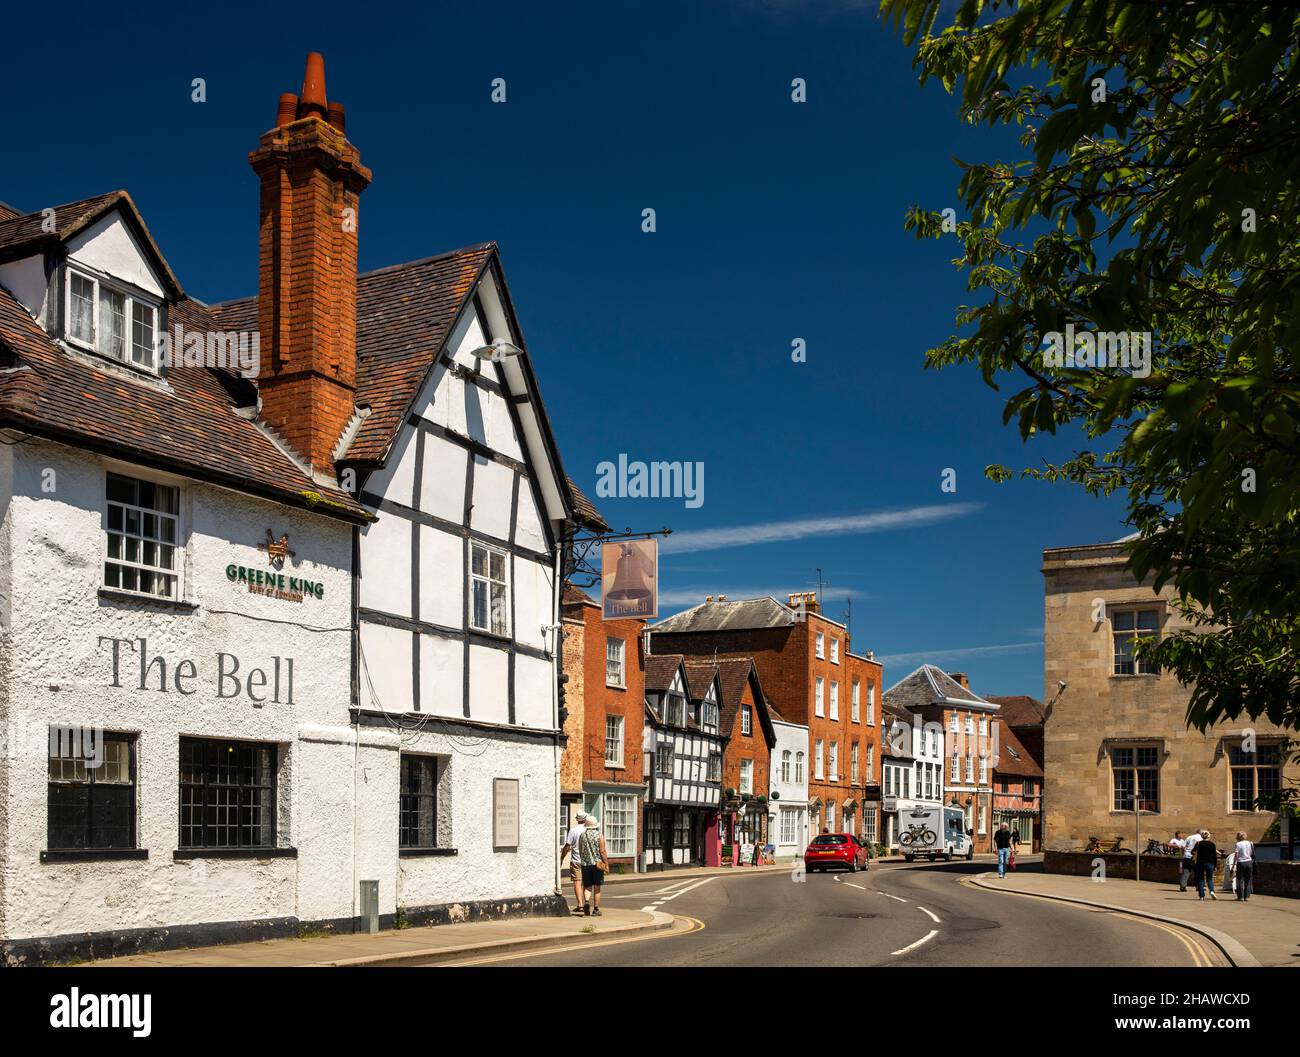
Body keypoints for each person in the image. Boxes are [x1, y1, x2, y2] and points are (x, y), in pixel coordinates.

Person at [578, 813, 610, 916]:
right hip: (597, 864)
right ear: (596, 825)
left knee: (587, 886)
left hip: (585, 864)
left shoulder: (582, 835)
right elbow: (602, 851)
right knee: (597, 887)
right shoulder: (599, 835)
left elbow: (580, 850)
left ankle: (586, 902)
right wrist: (606, 863)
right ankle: (596, 909)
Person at [559, 811, 589, 914]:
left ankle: (580, 905)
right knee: (586, 882)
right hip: (588, 860)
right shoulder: (588, 830)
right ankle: (586, 902)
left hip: (576, 860)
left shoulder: (573, 831)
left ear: (577, 819)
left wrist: (562, 858)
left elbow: (567, 846)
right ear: (585, 819)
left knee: (577, 882)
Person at [1194, 830, 1218, 901]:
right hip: (1210, 863)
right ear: (1209, 836)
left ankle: (1201, 896)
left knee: (1200, 879)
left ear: (1202, 836)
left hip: (1200, 863)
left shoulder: (1199, 844)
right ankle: (1212, 891)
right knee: (1209, 878)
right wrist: (1215, 865)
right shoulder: (1212, 844)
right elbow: (1214, 856)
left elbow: (1193, 851)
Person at [1233, 831, 1255, 902]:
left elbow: (1236, 855)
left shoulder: (1238, 844)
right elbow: (1252, 853)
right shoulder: (1250, 843)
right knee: (1248, 879)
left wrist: (1234, 864)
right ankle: (1246, 896)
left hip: (1241, 863)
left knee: (1240, 880)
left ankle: (1241, 897)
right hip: (1249, 862)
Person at [1180, 828, 1202, 892]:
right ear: (1201, 833)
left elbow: (1182, 846)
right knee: (1198, 872)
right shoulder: (1201, 838)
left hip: (1186, 856)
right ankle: (1198, 886)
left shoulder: (1189, 837)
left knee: (1186, 872)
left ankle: (1183, 886)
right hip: (1196, 857)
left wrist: (1184, 854)